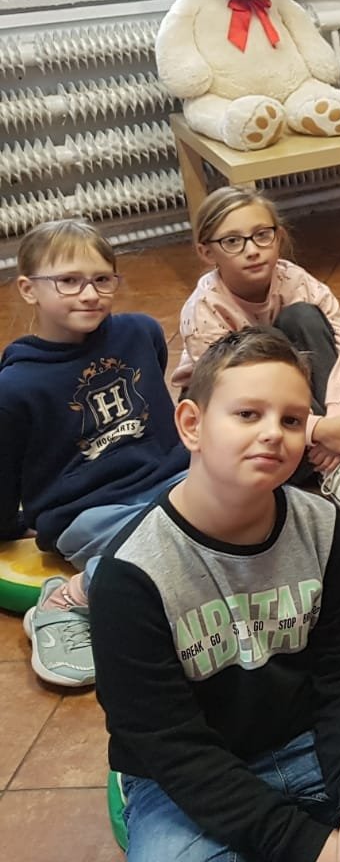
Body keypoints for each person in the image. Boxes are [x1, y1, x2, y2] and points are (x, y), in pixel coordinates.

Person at [91, 326, 340, 862]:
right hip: (188, 770)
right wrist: (309, 845)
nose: (273, 433)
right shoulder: (130, 573)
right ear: (192, 425)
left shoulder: (322, 526)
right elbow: (168, 744)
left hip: (309, 738)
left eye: (292, 420)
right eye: (248, 414)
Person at [0, 219, 189, 688]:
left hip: (175, 481)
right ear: (28, 289)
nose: (89, 294)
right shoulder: (13, 386)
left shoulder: (141, 332)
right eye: (68, 281)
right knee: (174, 549)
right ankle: (65, 602)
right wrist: (9, 527)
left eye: (102, 279)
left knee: (256, 506)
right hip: (89, 510)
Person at [171, 186, 340, 512]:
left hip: (299, 395)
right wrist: (318, 429)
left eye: (262, 235)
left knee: (303, 316)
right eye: (232, 241)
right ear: (207, 252)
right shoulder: (203, 308)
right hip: (239, 405)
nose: (252, 250)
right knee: (259, 342)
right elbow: (233, 394)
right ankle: (334, 463)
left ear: (278, 236)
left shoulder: (295, 279)